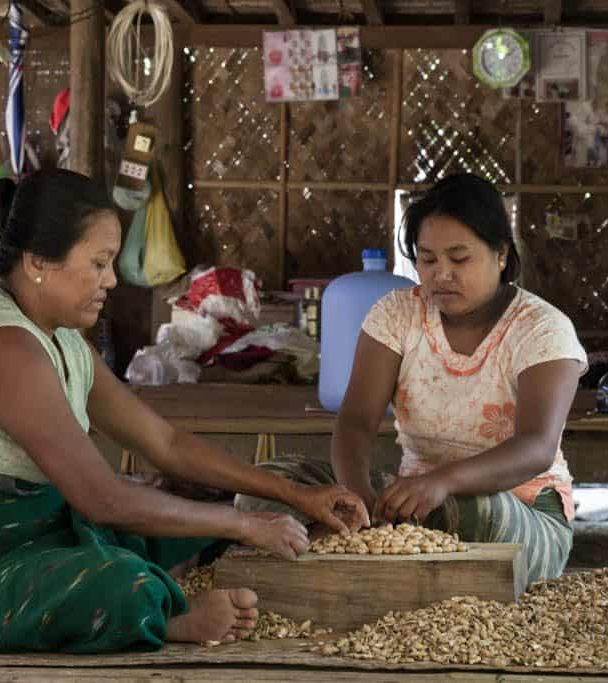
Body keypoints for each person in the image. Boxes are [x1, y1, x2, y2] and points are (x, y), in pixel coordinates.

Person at [0, 169, 368, 654]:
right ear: (38, 261)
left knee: (199, 511)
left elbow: (163, 444)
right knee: (113, 582)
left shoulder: (60, 340)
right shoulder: (4, 348)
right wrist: (244, 524)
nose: (110, 281)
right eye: (98, 263)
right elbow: (102, 499)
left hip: (35, 538)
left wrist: (294, 494)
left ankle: (173, 575)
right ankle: (166, 616)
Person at [237, 174, 587, 583]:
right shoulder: (397, 314)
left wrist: (443, 482)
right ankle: (372, 546)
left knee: (475, 513)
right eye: (427, 259)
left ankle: (364, 553)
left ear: (501, 255)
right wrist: (357, 500)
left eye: (460, 259)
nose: (442, 275)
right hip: (412, 501)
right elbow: (355, 420)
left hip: (519, 509)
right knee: (268, 486)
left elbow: (536, 447)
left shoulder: (543, 329)